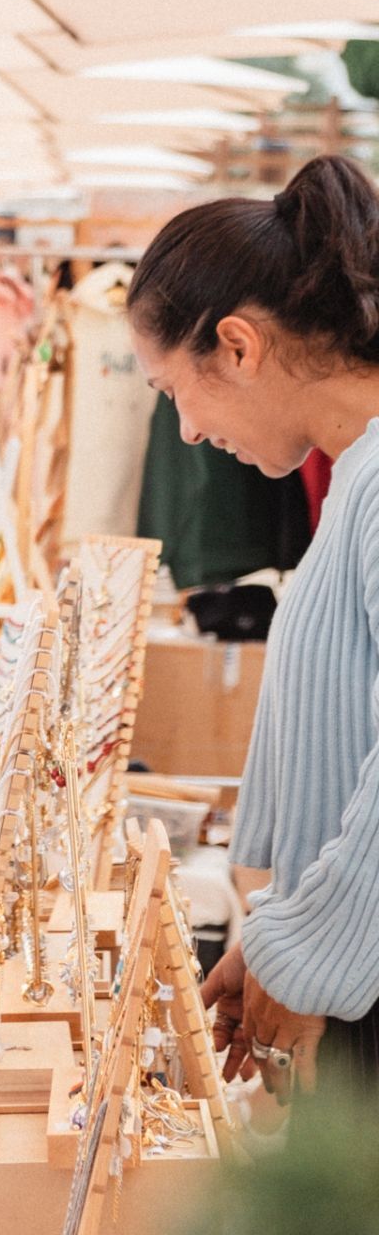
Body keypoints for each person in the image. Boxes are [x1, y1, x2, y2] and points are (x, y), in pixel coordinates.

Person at [126, 155, 379, 1097]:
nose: (186, 431)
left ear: (237, 345)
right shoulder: (356, 478)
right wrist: (272, 936)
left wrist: (306, 954)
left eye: (171, 389)